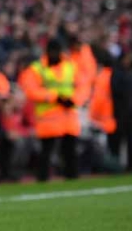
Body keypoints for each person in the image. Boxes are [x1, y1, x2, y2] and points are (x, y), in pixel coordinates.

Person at [19, 40, 88, 181]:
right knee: (46, 152)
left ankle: (72, 178)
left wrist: (74, 100)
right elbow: (30, 90)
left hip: (68, 116)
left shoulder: (71, 66)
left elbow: (83, 87)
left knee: (70, 151)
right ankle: (43, 179)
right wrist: (54, 97)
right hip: (48, 118)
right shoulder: (37, 69)